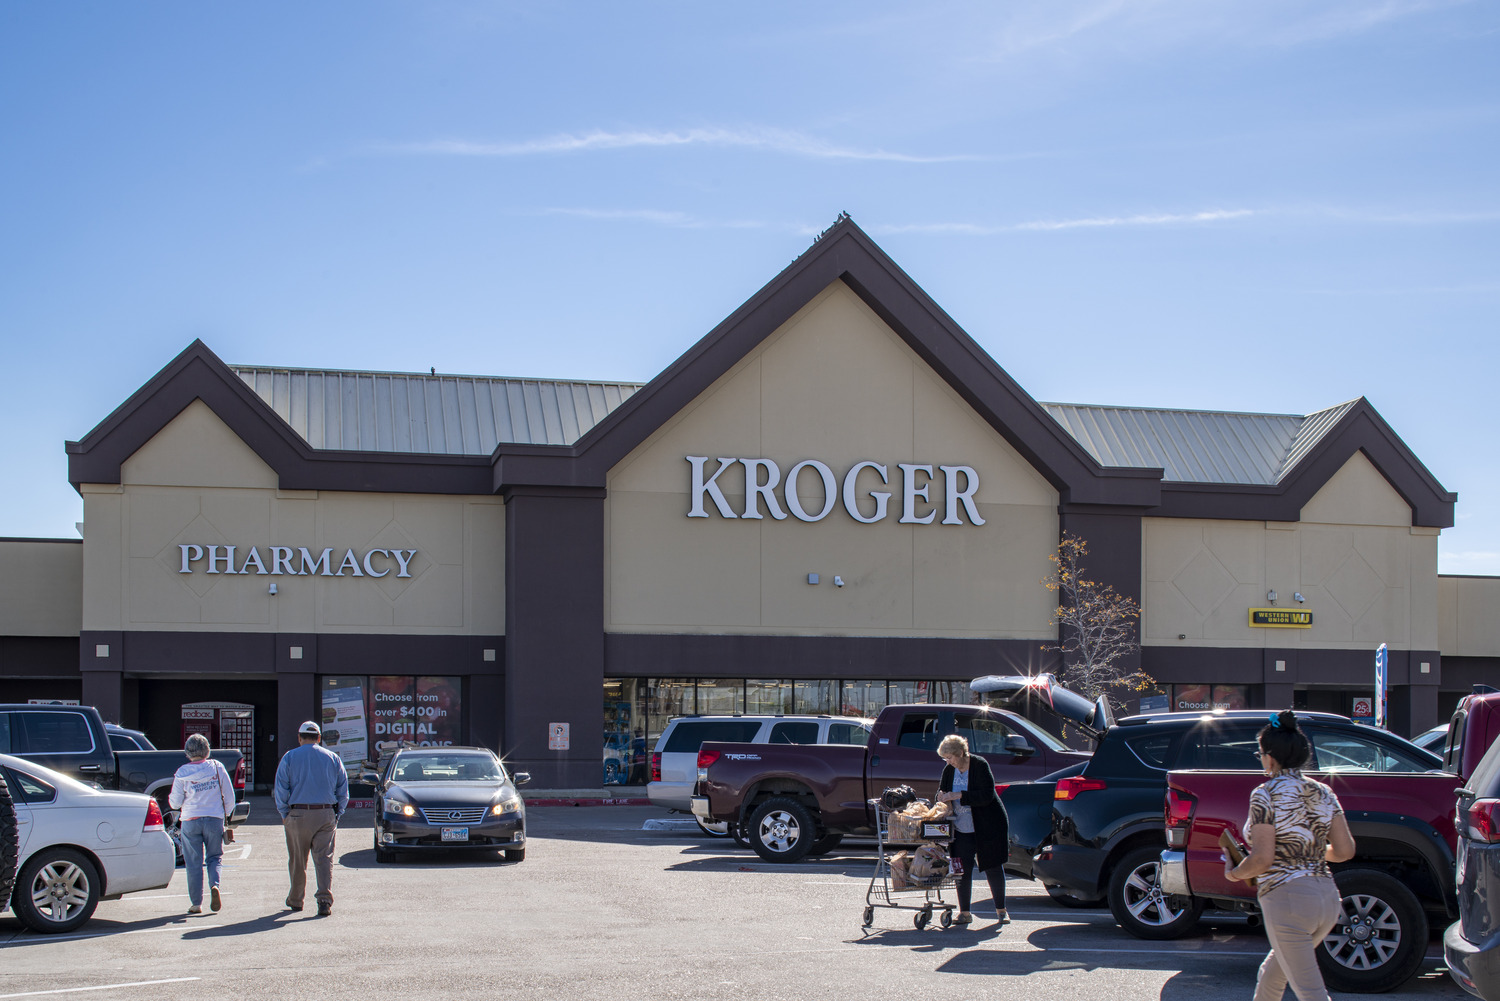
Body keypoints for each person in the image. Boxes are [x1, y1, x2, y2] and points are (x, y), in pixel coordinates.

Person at [1226, 709, 1357, 1001]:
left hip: (1287, 900)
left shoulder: (1265, 793)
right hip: (1327, 899)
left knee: (1311, 993)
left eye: (1260, 753)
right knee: (1272, 976)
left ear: (1270, 757)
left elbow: (1262, 859)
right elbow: (1346, 850)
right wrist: (1307, 849)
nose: (1260, 759)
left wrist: (1234, 872)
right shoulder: (1324, 793)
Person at [273, 720, 349, 917]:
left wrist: (284, 814)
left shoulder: (289, 757)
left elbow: (281, 789)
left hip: (297, 814)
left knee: (298, 859)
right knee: (324, 859)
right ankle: (324, 900)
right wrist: (337, 813)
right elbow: (343, 790)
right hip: (325, 813)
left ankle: (296, 900)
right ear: (319, 738)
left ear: (299, 738)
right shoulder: (333, 758)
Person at [934, 733, 1010, 926]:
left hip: (987, 824)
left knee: (992, 866)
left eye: (950, 757)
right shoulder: (948, 770)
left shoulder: (979, 765)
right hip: (961, 826)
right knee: (962, 869)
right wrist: (943, 798)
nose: (948, 762)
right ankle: (965, 912)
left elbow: (986, 794)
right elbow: (942, 791)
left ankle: (1001, 910)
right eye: (945, 759)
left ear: (960, 753)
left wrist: (958, 794)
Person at [168, 733, 237, 915]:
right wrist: (226, 815)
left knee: (193, 862)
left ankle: (196, 903)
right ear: (207, 750)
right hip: (214, 819)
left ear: (187, 752)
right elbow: (230, 798)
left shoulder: (182, 772)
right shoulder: (217, 767)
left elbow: (174, 803)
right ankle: (215, 886)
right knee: (215, 857)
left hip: (190, 821)